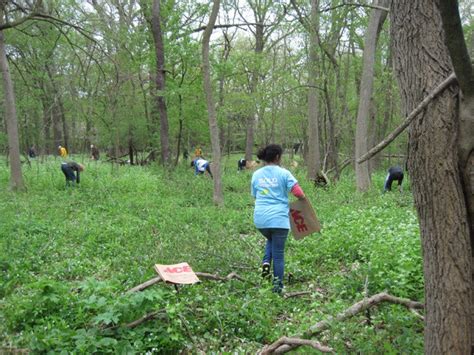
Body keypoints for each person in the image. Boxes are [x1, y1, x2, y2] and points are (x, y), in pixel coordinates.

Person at [251, 144, 306, 293]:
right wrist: (303, 201)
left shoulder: (256, 174)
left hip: (260, 219)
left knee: (271, 239)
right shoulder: (284, 173)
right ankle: (278, 287)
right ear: (277, 157)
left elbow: (255, 196)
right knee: (279, 254)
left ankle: (266, 262)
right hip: (279, 219)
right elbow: (298, 193)